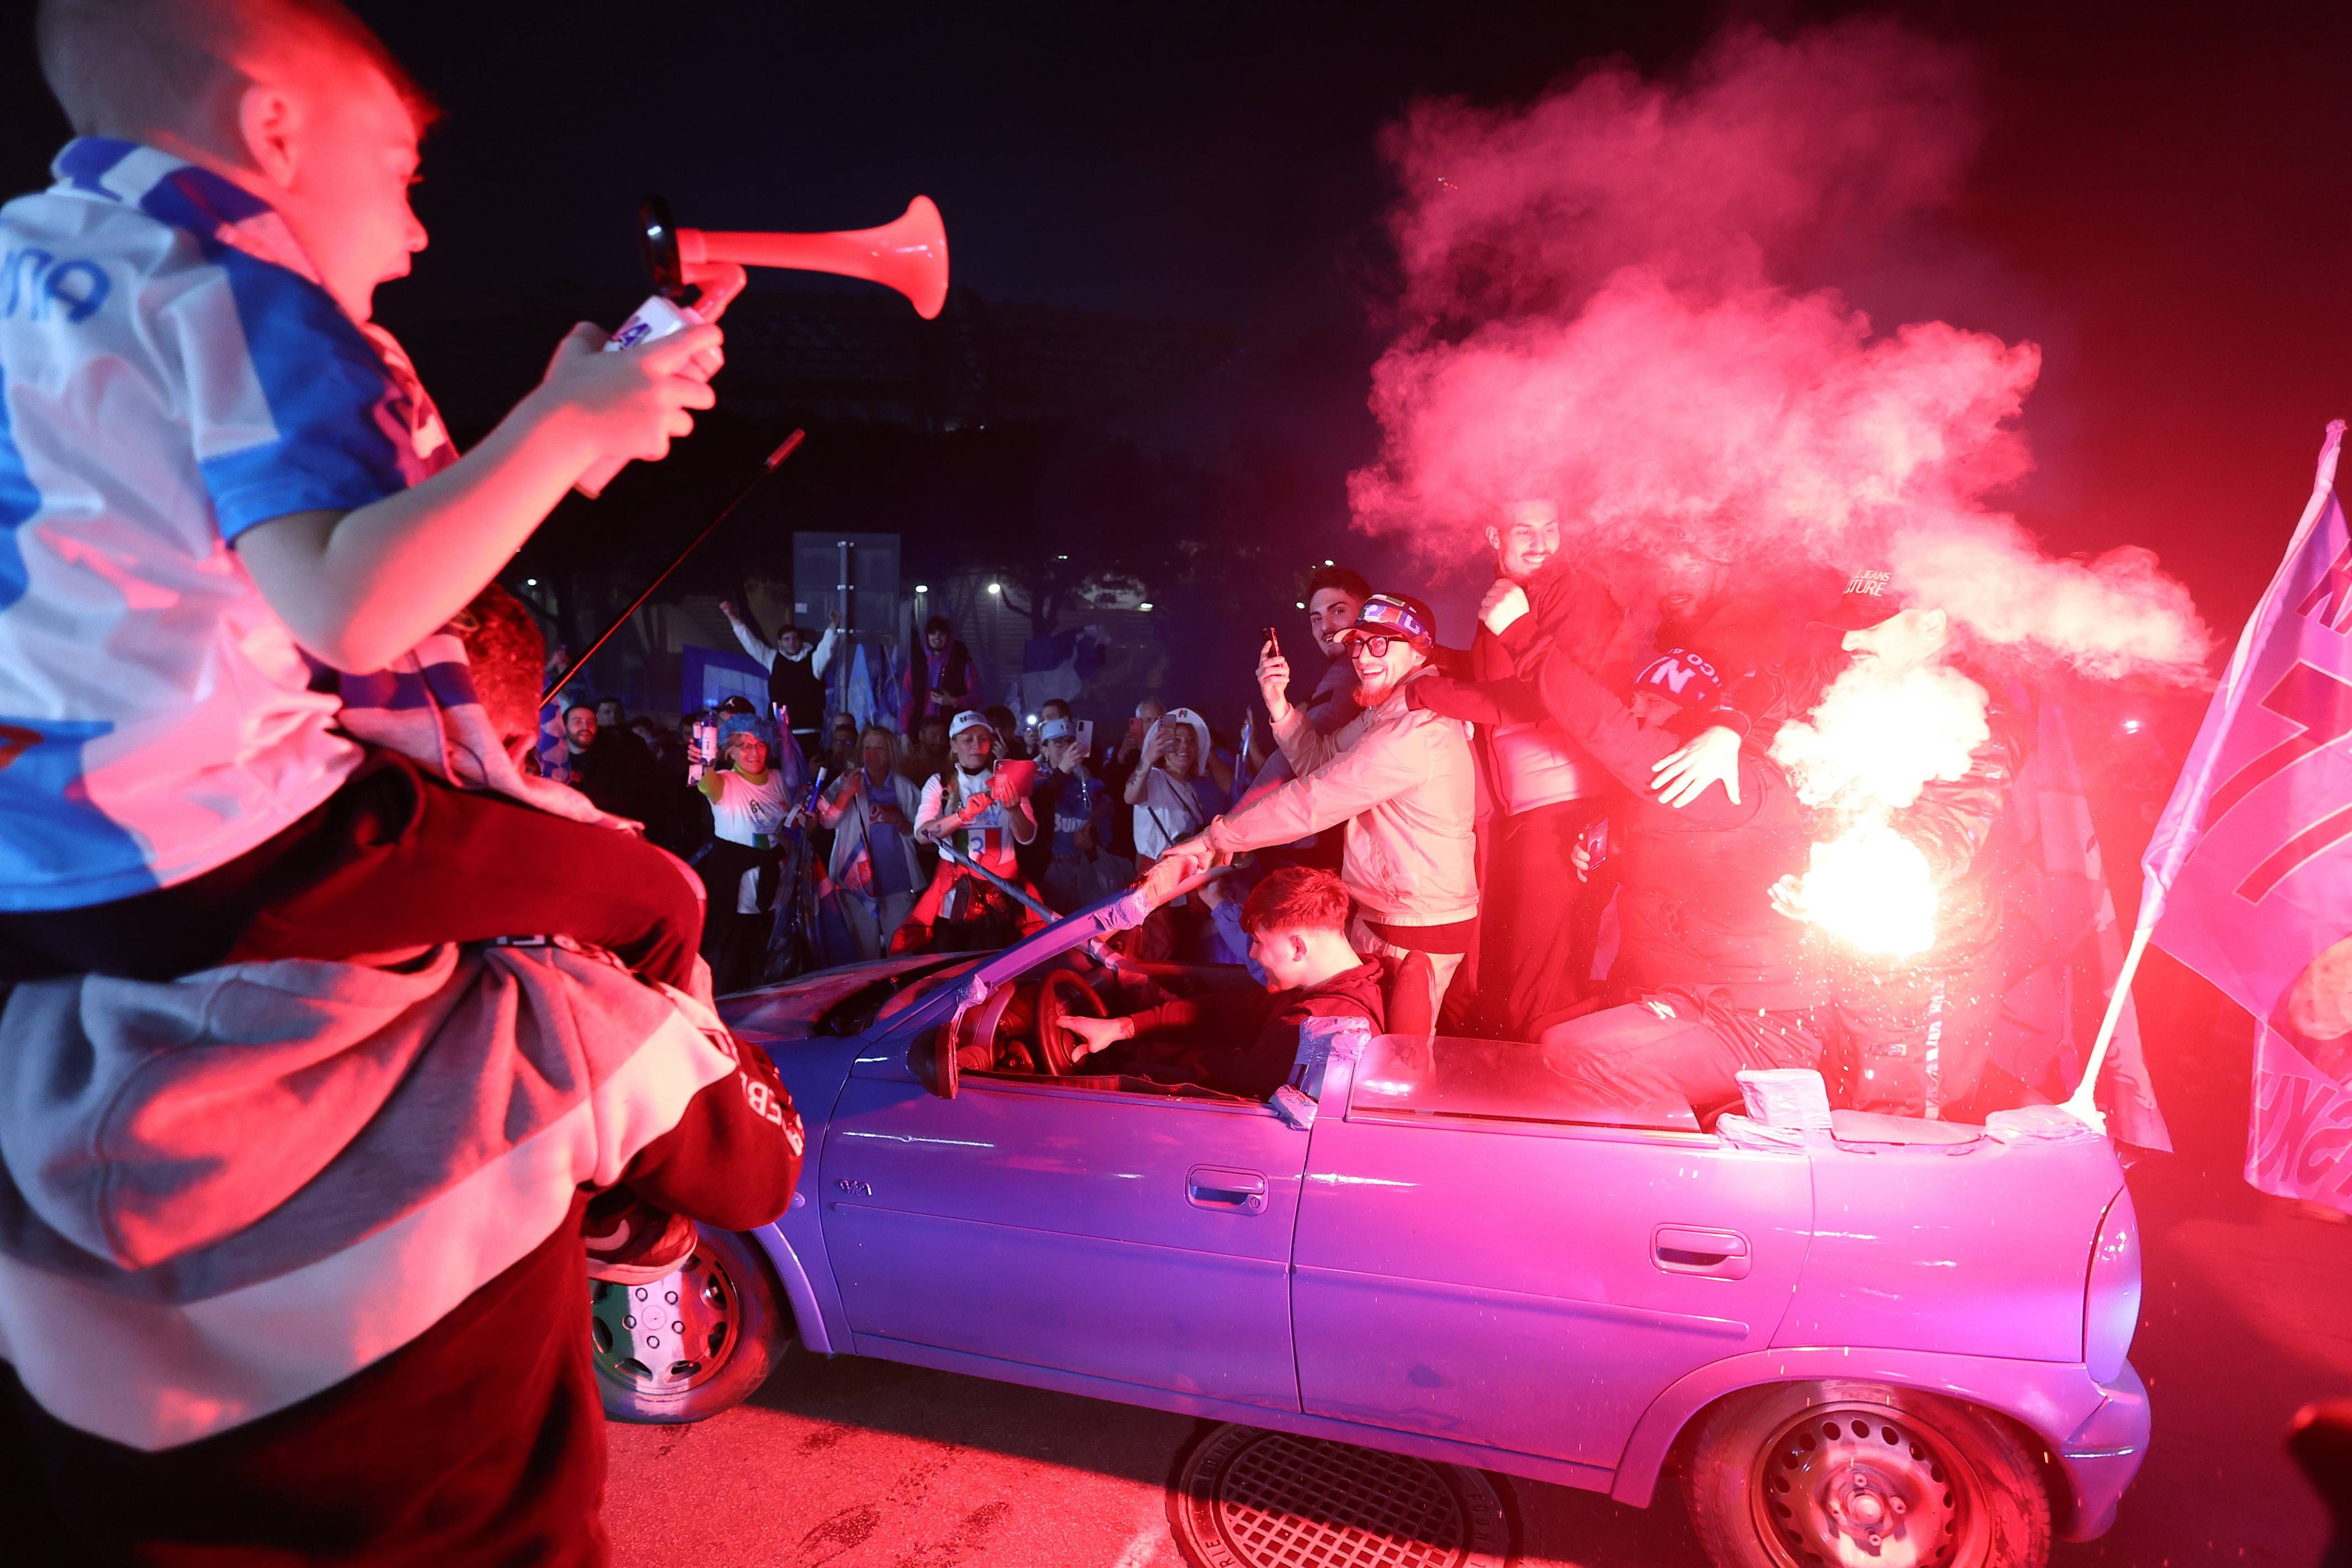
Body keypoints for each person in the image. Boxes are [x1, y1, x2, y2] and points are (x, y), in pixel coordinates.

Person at [0, 0, 721, 992]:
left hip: (29, 857)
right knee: (658, 897)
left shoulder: (36, 263)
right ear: (274, 132)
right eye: (401, 175)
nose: (415, 234)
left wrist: (576, 427)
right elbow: (353, 609)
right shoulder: (240, 289)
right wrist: (562, 427)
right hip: (197, 844)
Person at [1413, 560, 1826, 1116]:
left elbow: (1606, 728)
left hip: (1753, 1023)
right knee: (1544, 1038)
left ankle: (1684, 1153)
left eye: (1654, 703)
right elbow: (1681, 858)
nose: (1637, 708)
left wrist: (1522, 635)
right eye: (1637, 697)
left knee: (1569, 1053)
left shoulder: (1722, 780)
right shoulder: (1658, 797)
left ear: (1692, 717)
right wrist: (1608, 848)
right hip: (1687, 998)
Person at [1777, 567, 2027, 1121]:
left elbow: (1945, 833)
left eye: (1871, 627)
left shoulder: (1978, 718)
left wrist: (1837, 888)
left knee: (1901, 1130)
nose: (1849, 642)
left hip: (1927, 970)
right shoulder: (1861, 692)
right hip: (1846, 961)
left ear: (1932, 625)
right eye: (1846, 627)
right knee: (1846, 1125)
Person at [1159, 594, 1477, 1025]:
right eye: (1357, 644)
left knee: (1387, 1054)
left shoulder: (1415, 729)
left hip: (1415, 925)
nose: (1362, 657)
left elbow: (1314, 800)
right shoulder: (1389, 710)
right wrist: (1279, 704)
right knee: (1358, 1039)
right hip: (1390, 912)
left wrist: (1215, 837)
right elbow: (1320, 760)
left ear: (1419, 650)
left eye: (1379, 643)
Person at [1441, 500, 1630, 1037]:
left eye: (1551, 528)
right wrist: (1429, 657)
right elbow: (1495, 676)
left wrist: (1428, 694)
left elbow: (1544, 697)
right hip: (1528, 809)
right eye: (1525, 531)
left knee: (1540, 983)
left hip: (1566, 804)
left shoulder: (1573, 592)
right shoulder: (1512, 595)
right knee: (1520, 972)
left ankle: (1553, 1080)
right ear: (1493, 536)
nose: (1542, 544)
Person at [1058, 867, 1388, 1098]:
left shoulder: (1311, 1028)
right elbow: (1226, 1011)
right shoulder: (1347, 984)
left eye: (1257, 942)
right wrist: (1122, 1029)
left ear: (1298, 948)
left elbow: (1225, 1081)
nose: (1253, 955)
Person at [899, 709, 1045, 952]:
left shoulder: (1009, 778)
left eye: (982, 739)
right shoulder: (940, 782)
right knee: (954, 960)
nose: (976, 745)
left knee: (1000, 959)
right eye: (968, 740)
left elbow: (1027, 838)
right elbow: (922, 835)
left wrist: (1014, 810)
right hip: (955, 898)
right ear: (954, 745)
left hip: (1002, 895)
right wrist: (962, 815)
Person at [693, 713, 792, 991]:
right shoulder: (725, 782)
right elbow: (705, 780)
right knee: (735, 957)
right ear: (730, 752)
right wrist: (702, 761)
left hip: (777, 885)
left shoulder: (779, 779)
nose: (754, 753)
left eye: (760, 745)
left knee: (768, 957)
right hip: (738, 888)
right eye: (745, 746)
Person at [815, 725, 926, 959]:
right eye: (867, 748)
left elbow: (923, 832)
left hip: (897, 879)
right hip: (855, 879)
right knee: (863, 949)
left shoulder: (903, 786)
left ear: (890, 752)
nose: (872, 754)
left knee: (901, 948)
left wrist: (900, 821)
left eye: (879, 748)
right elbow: (827, 822)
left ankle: (901, 983)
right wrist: (845, 794)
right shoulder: (847, 781)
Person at [719, 601, 844, 761]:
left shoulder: (814, 661)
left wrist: (833, 626)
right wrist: (731, 616)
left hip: (809, 734)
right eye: (787, 639)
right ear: (780, 643)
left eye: (795, 638)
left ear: (801, 640)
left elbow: (827, 648)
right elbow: (750, 642)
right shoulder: (772, 659)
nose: (792, 642)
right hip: (779, 734)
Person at [1033, 716, 1125, 911]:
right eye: (1058, 743)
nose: (1067, 747)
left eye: (1070, 741)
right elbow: (1041, 804)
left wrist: (1091, 844)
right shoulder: (1035, 779)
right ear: (1044, 749)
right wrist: (1064, 769)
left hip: (1083, 867)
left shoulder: (1085, 778)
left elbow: (1100, 830)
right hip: (1051, 872)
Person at [917, 613, 978, 721]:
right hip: (924, 725)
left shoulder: (961, 661)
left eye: (942, 634)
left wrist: (954, 701)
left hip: (954, 724)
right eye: (933, 633)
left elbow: (977, 695)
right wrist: (905, 729)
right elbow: (907, 699)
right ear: (927, 636)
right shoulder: (917, 662)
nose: (937, 637)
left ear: (948, 637)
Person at [900, 711, 950, 787]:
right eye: (934, 736)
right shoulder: (909, 763)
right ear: (921, 736)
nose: (939, 741)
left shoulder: (949, 759)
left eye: (943, 737)